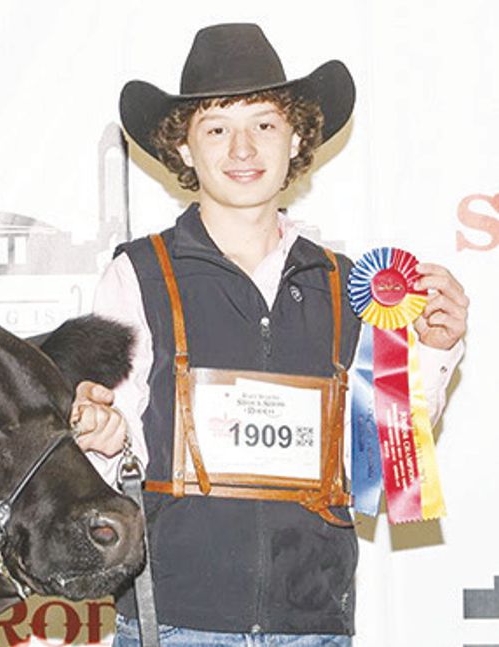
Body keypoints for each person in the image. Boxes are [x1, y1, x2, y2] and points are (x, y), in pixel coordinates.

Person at [69, 23, 469, 646]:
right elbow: (108, 453)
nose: (242, 149)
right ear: (183, 150)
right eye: (217, 128)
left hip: (311, 626)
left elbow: (383, 463)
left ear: (297, 138)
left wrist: (436, 353)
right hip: (176, 621)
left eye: (264, 124)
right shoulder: (137, 276)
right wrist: (98, 434)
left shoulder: (350, 286)